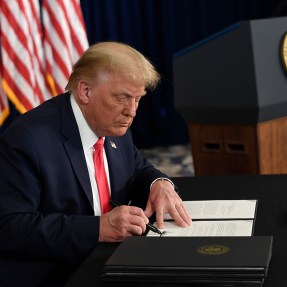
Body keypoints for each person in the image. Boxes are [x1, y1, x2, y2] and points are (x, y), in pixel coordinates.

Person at [0, 41, 191, 287]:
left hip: (110, 260)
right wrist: (98, 228)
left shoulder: (112, 123)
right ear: (85, 92)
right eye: (122, 97)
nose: (132, 112)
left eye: (138, 99)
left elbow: (136, 168)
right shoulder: (28, 140)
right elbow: (10, 227)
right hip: (55, 274)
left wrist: (159, 183)